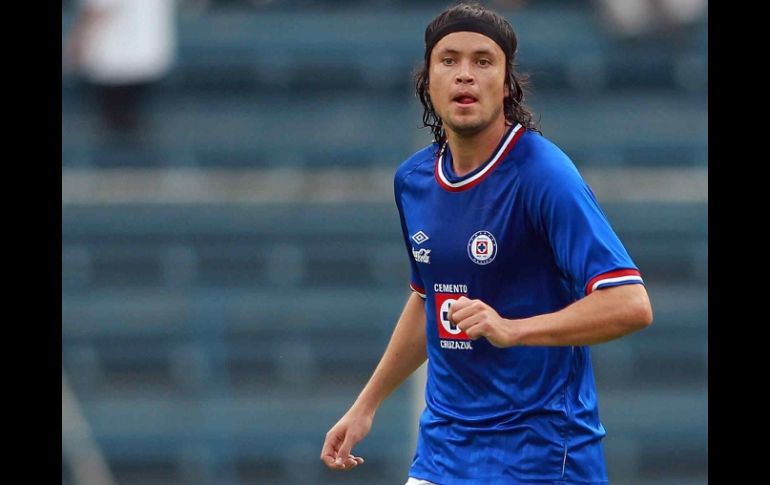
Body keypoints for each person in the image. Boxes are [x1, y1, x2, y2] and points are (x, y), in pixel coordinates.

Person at [320, 2, 653, 484]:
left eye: (483, 61)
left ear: (507, 82)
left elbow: (630, 303)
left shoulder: (543, 175)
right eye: (449, 60)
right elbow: (428, 299)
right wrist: (366, 404)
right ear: (427, 79)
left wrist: (513, 329)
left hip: (540, 456)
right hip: (444, 453)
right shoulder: (414, 180)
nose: (465, 76)